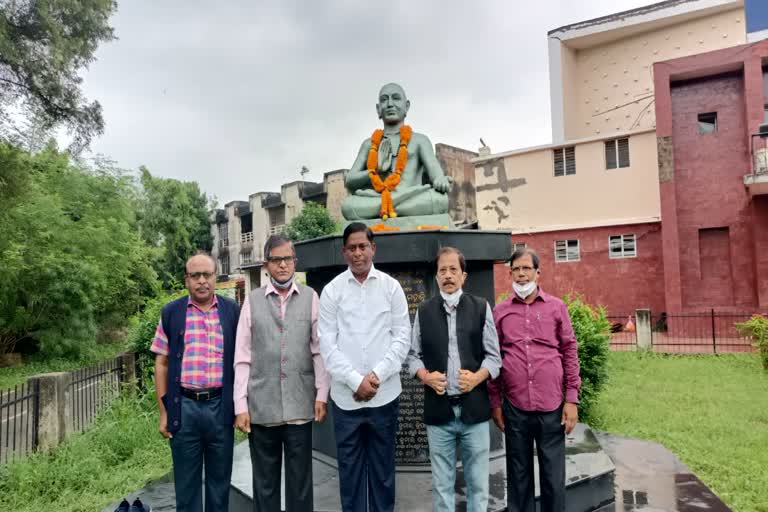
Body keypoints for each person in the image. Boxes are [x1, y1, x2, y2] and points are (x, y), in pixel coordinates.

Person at [318, 222, 411, 511]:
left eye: (363, 246)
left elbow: (402, 337)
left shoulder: (391, 288)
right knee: (350, 473)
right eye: (352, 248)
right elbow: (327, 345)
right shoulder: (332, 291)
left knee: (383, 471)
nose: (358, 253)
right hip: (347, 401)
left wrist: (375, 376)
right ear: (344, 252)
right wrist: (355, 381)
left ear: (373, 249)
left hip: (384, 396)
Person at [233, 234, 330, 511]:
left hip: (300, 406)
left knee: (300, 483)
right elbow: (242, 356)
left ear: (295, 262)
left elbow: (319, 350)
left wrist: (322, 393)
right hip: (262, 408)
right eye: (276, 260)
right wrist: (240, 404)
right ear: (267, 264)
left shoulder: (311, 297)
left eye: (288, 259)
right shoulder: (252, 301)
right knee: (265, 484)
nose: (283, 265)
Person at [406, 247, 501, 511]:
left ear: (464, 275)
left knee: (479, 486)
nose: (448, 275)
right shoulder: (424, 311)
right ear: (436, 277)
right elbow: (412, 357)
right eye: (442, 271)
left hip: (475, 411)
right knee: (442, 486)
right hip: (439, 414)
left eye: (453, 270)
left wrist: (477, 377)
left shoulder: (481, 308)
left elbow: (494, 358)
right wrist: (425, 376)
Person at [488, 248, 581, 512]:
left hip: (552, 406)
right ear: (510, 274)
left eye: (526, 268)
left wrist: (571, 400)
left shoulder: (556, 307)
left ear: (537, 273)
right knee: (518, 478)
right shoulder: (501, 311)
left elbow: (569, 351)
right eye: (516, 269)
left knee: (553, 477)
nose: (521, 274)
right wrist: (495, 403)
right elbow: (494, 358)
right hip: (516, 407)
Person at [151, 252, 240, 512]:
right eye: (195, 276)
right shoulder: (172, 313)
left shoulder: (232, 312)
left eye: (207, 275)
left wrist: (241, 407)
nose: (202, 281)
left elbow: (243, 362)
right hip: (184, 410)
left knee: (219, 484)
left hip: (220, 409)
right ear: (186, 280)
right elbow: (162, 363)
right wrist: (164, 412)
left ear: (215, 276)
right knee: (186, 488)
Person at [341, 82, 452, 220]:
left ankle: (388, 207)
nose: (389, 104)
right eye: (384, 99)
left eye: (395, 98)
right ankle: (390, 207)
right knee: (348, 206)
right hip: (379, 198)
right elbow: (350, 181)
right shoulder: (369, 144)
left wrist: (441, 180)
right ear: (378, 109)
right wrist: (375, 171)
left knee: (440, 199)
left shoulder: (419, 140)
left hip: (410, 196)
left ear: (406, 106)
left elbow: (437, 175)